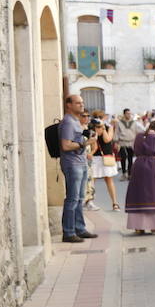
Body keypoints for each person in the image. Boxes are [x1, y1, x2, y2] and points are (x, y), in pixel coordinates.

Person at [57, 94, 97, 243]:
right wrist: (85, 143)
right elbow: (66, 145)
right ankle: (68, 232)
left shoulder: (76, 121)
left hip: (80, 162)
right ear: (69, 105)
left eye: (82, 102)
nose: (81, 105)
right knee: (72, 199)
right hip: (72, 164)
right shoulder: (68, 122)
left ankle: (79, 229)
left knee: (80, 198)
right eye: (78, 103)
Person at [89, 114, 121, 211]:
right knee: (92, 180)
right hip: (95, 157)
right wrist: (96, 131)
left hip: (106, 156)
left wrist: (103, 129)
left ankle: (115, 203)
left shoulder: (109, 127)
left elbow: (107, 139)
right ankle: (90, 201)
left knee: (109, 180)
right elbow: (93, 141)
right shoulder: (91, 128)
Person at [113, 108, 141, 177]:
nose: (129, 115)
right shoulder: (119, 123)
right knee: (123, 157)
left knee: (130, 158)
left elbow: (138, 131)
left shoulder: (134, 122)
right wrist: (116, 142)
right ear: (124, 114)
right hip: (122, 142)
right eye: (127, 113)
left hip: (131, 142)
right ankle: (123, 173)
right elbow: (116, 132)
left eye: (129, 113)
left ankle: (130, 173)